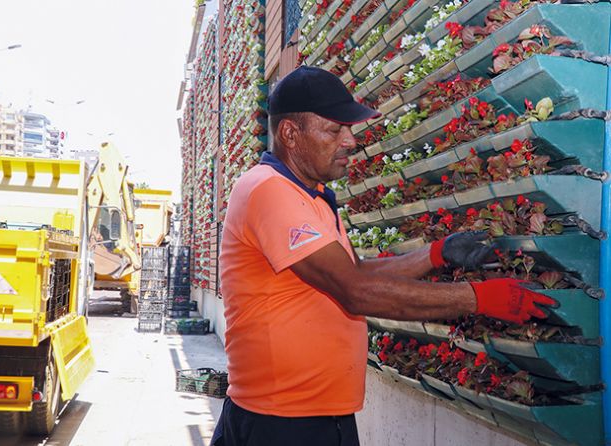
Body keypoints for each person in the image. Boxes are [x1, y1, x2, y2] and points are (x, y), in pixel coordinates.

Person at [210, 66, 555, 446]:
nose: (351, 141)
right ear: (290, 134)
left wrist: (436, 254)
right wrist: (480, 298)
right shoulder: (269, 192)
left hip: (314, 417)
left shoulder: (309, 195)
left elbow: (354, 271)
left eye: (350, 129)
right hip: (280, 423)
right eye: (334, 130)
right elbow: (355, 290)